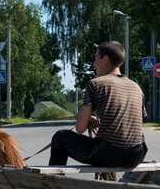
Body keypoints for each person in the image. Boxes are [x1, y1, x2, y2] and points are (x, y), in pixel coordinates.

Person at [49, 40, 147, 168]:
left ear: (105, 59)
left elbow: (80, 129)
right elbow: (132, 122)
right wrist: (101, 123)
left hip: (109, 153)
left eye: (96, 59)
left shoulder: (96, 83)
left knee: (59, 137)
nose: (94, 64)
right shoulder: (136, 87)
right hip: (137, 154)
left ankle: (52, 184)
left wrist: (84, 118)